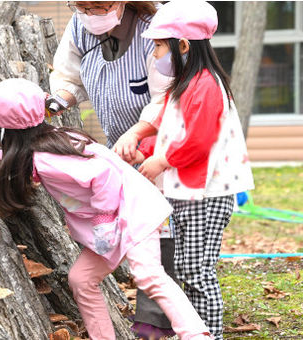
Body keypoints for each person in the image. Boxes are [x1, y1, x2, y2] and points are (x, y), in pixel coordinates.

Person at [0, 78, 213, 340]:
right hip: (113, 222)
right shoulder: (46, 142)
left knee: (149, 275)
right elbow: (12, 153)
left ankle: (196, 335)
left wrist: (101, 220)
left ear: (6, 130)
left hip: (134, 212)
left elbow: (104, 176)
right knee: (81, 280)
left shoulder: (47, 158)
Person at [114, 1, 255, 339]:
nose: (156, 54)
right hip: (191, 193)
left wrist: (161, 160)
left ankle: (209, 334)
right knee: (190, 269)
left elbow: (197, 140)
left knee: (196, 271)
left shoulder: (205, 86)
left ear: (183, 45)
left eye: (160, 46)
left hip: (205, 194)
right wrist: (140, 144)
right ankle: (196, 332)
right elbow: (167, 128)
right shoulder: (185, 86)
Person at [49, 2, 178, 337]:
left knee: (158, 234)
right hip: (118, 148)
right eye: (83, 5)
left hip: (159, 147)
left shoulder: (154, 31)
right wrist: (58, 100)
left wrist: (139, 137)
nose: (92, 12)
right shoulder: (80, 28)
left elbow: (168, 98)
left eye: (100, 5)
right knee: (128, 228)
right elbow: (68, 76)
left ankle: (157, 325)